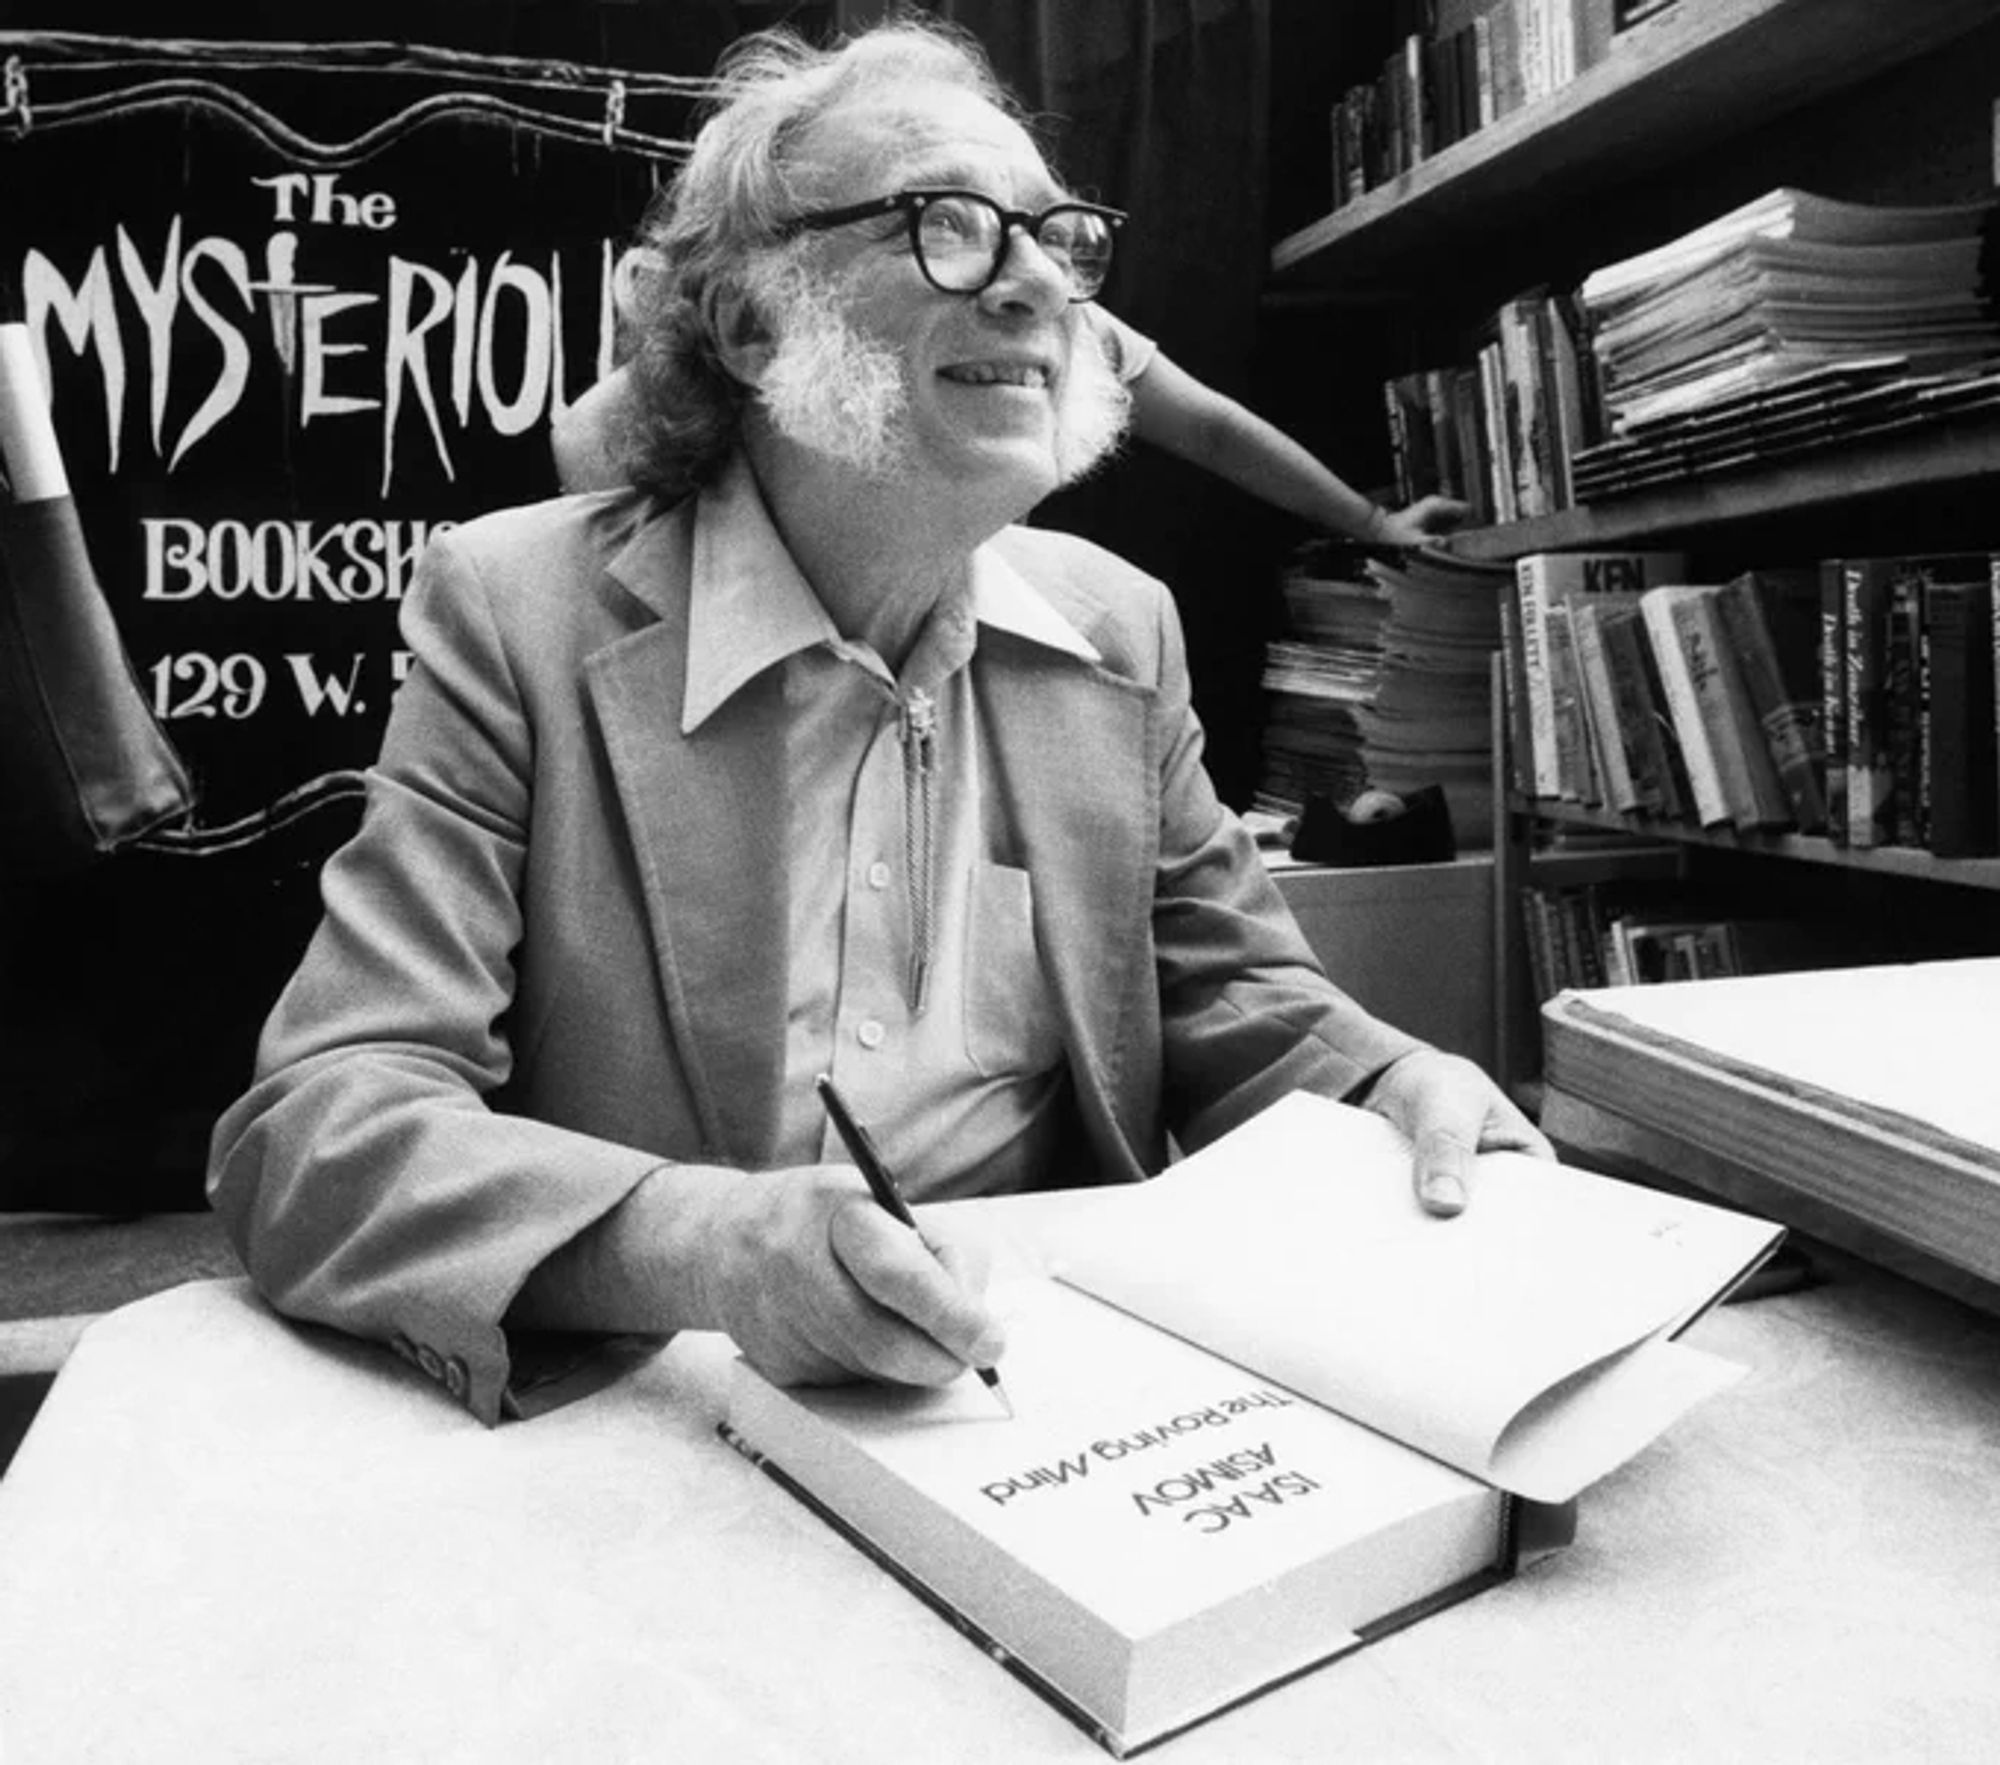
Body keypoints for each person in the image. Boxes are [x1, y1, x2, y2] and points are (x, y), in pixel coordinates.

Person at [207, 17, 1547, 1427]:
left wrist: (1394, 1081)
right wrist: (709, 1248)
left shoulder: (1122, 628)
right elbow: (324, 1132)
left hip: (1049, 1421)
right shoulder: (513, 611)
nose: (1040, 285)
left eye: (1058, 235)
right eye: (949, 225)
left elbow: (1237, 1004)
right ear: (746, 320)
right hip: (669, 1420)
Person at [552, 289, 1466, 551]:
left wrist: (1372, 522)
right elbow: (583, 436)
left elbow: (1217, 431)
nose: (1017, 277)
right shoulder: (805, 324)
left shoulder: (1073, 328)